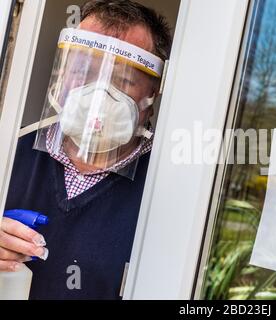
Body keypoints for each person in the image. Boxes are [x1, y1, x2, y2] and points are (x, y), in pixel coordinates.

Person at [0, 0, 171, 299]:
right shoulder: (8, 153)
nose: (98, 92)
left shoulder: (168, 185)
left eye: (123, 80)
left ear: (151, 98)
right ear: (63, 73)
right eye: (83, 70)